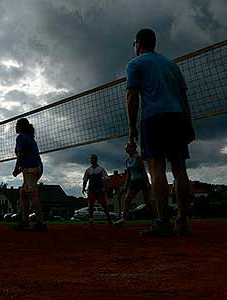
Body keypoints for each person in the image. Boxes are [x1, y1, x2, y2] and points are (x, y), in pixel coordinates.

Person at [126, 28, 195, 236]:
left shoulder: (135, 63)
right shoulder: (172, 65)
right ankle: (182, 220)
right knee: (179, 169)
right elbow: (184, 98)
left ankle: (162, 221)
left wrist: (131, 127)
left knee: (156, 169)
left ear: (138, 43)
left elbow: (132, 97)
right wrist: (189, 123)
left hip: (154, 118)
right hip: (178, 117)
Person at [12, 118, 46, 231]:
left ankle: (41, 223)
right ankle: (25, 221)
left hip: (31, 169)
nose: (15, 127)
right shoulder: (30, 138)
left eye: (17, 125)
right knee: (23, 193)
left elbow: (22, 155)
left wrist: (16, 169)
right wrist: (21, 168)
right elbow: (27, 155)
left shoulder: (21, 137)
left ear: (21, 127)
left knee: (32, 194)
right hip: (37, 167)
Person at [114, 142, 154, 227]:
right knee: (127, 199)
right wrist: (125, 186)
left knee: (148, 202)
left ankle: (154, 219)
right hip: (134, 182)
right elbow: (128, 174)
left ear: (132, 148)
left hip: (142, 181)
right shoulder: (127, 160)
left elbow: (143, 171)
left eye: (127, 147)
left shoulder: (138, 158)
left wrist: (147, 182)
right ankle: (123, 219)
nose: (125, 149)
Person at [82, 154, 112, 225]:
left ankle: (109, 219)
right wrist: (83, 188)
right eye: (91, 159)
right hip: (91, 190)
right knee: (90, 205)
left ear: (96, 159)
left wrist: (104, 187)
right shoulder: (88, 170)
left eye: (92, 158)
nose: (91, 160)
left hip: (99, 190)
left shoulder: (101, 169)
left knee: (104, 205)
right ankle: (91, 219)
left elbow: (106, 178)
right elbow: (85, 180)